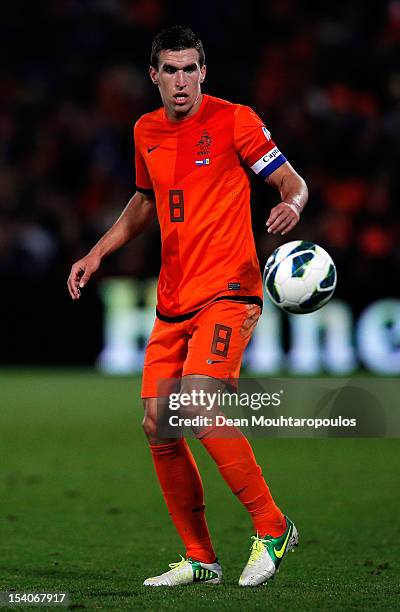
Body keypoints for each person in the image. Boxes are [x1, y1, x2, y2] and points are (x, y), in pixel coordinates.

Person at [67, 25, 308, 587]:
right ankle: (201, 559)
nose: (181, 81)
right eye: (170, 70)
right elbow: (145, 201)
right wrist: (98, 251)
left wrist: (292, 204)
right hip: (173, 299)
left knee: (197, 405)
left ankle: (273, 527)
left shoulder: (235, 121)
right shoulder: (145, 130)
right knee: (158, 425)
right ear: (153, 76)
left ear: (204, 71)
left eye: (190, 69)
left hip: (230, 290)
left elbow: (291, 181)